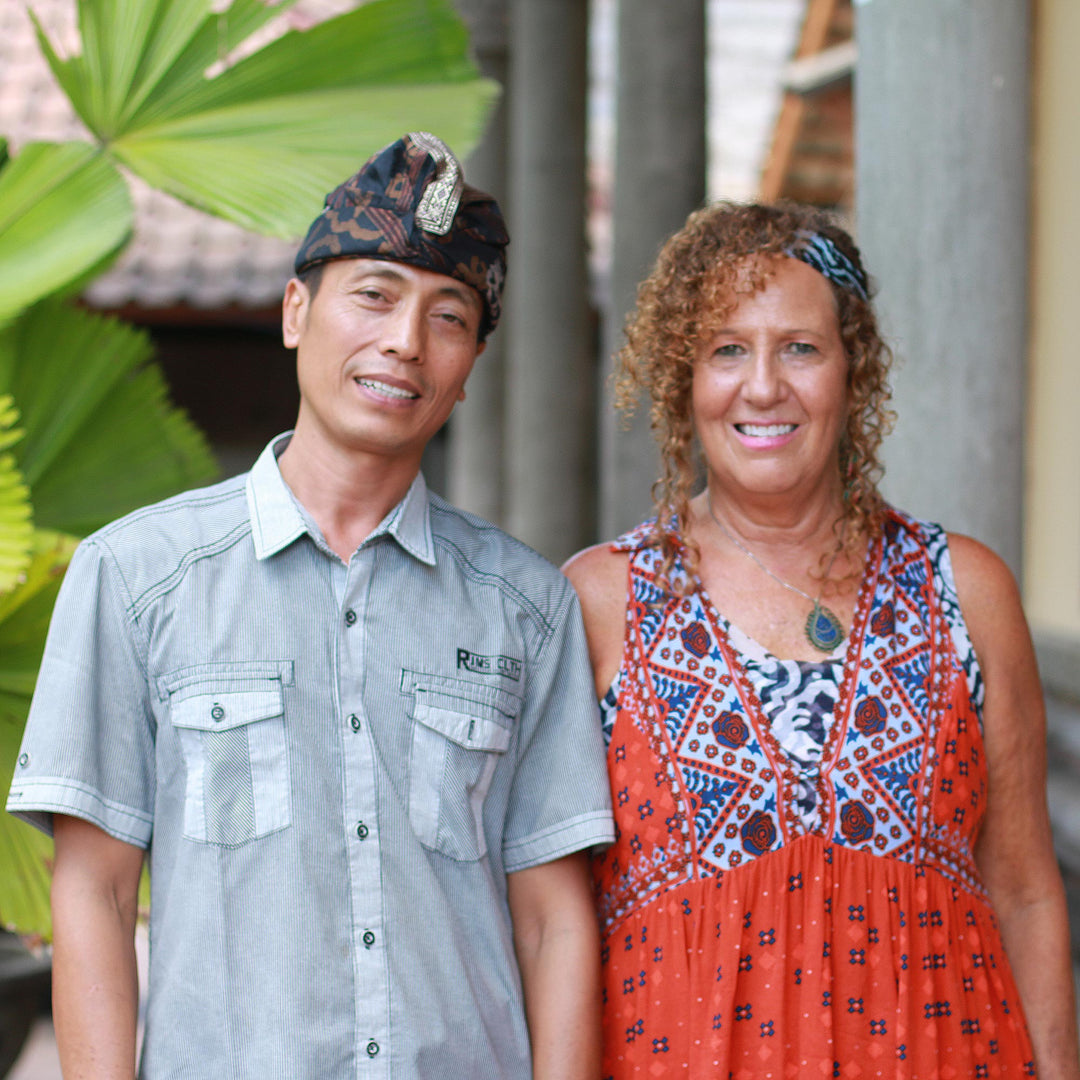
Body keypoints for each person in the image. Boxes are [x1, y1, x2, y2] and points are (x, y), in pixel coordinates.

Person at [8, 132, 614, 1080]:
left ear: (470, 364)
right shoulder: (135, 576)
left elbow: (551, 920)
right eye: (373, 295)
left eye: (447, 316)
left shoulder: (527, 609)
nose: (404, 342)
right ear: (297, 310)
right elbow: (92, 892)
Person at [564, 201, 1080, 1077]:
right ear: (682, 377)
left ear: (854, 369)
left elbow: (1027, 892)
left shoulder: (967, 589)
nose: (763, 385)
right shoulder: (600, 600)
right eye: (727, 349)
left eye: (799, 347)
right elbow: (553, 920)